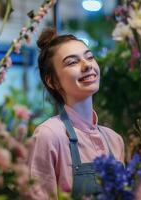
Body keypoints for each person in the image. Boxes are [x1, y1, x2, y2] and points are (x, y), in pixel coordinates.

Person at [27, 27, 125, 199]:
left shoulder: (114, 140)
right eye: (72, 62)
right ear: (52, 81)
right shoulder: (49, 135)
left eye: (89, 57)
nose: (87, 65)